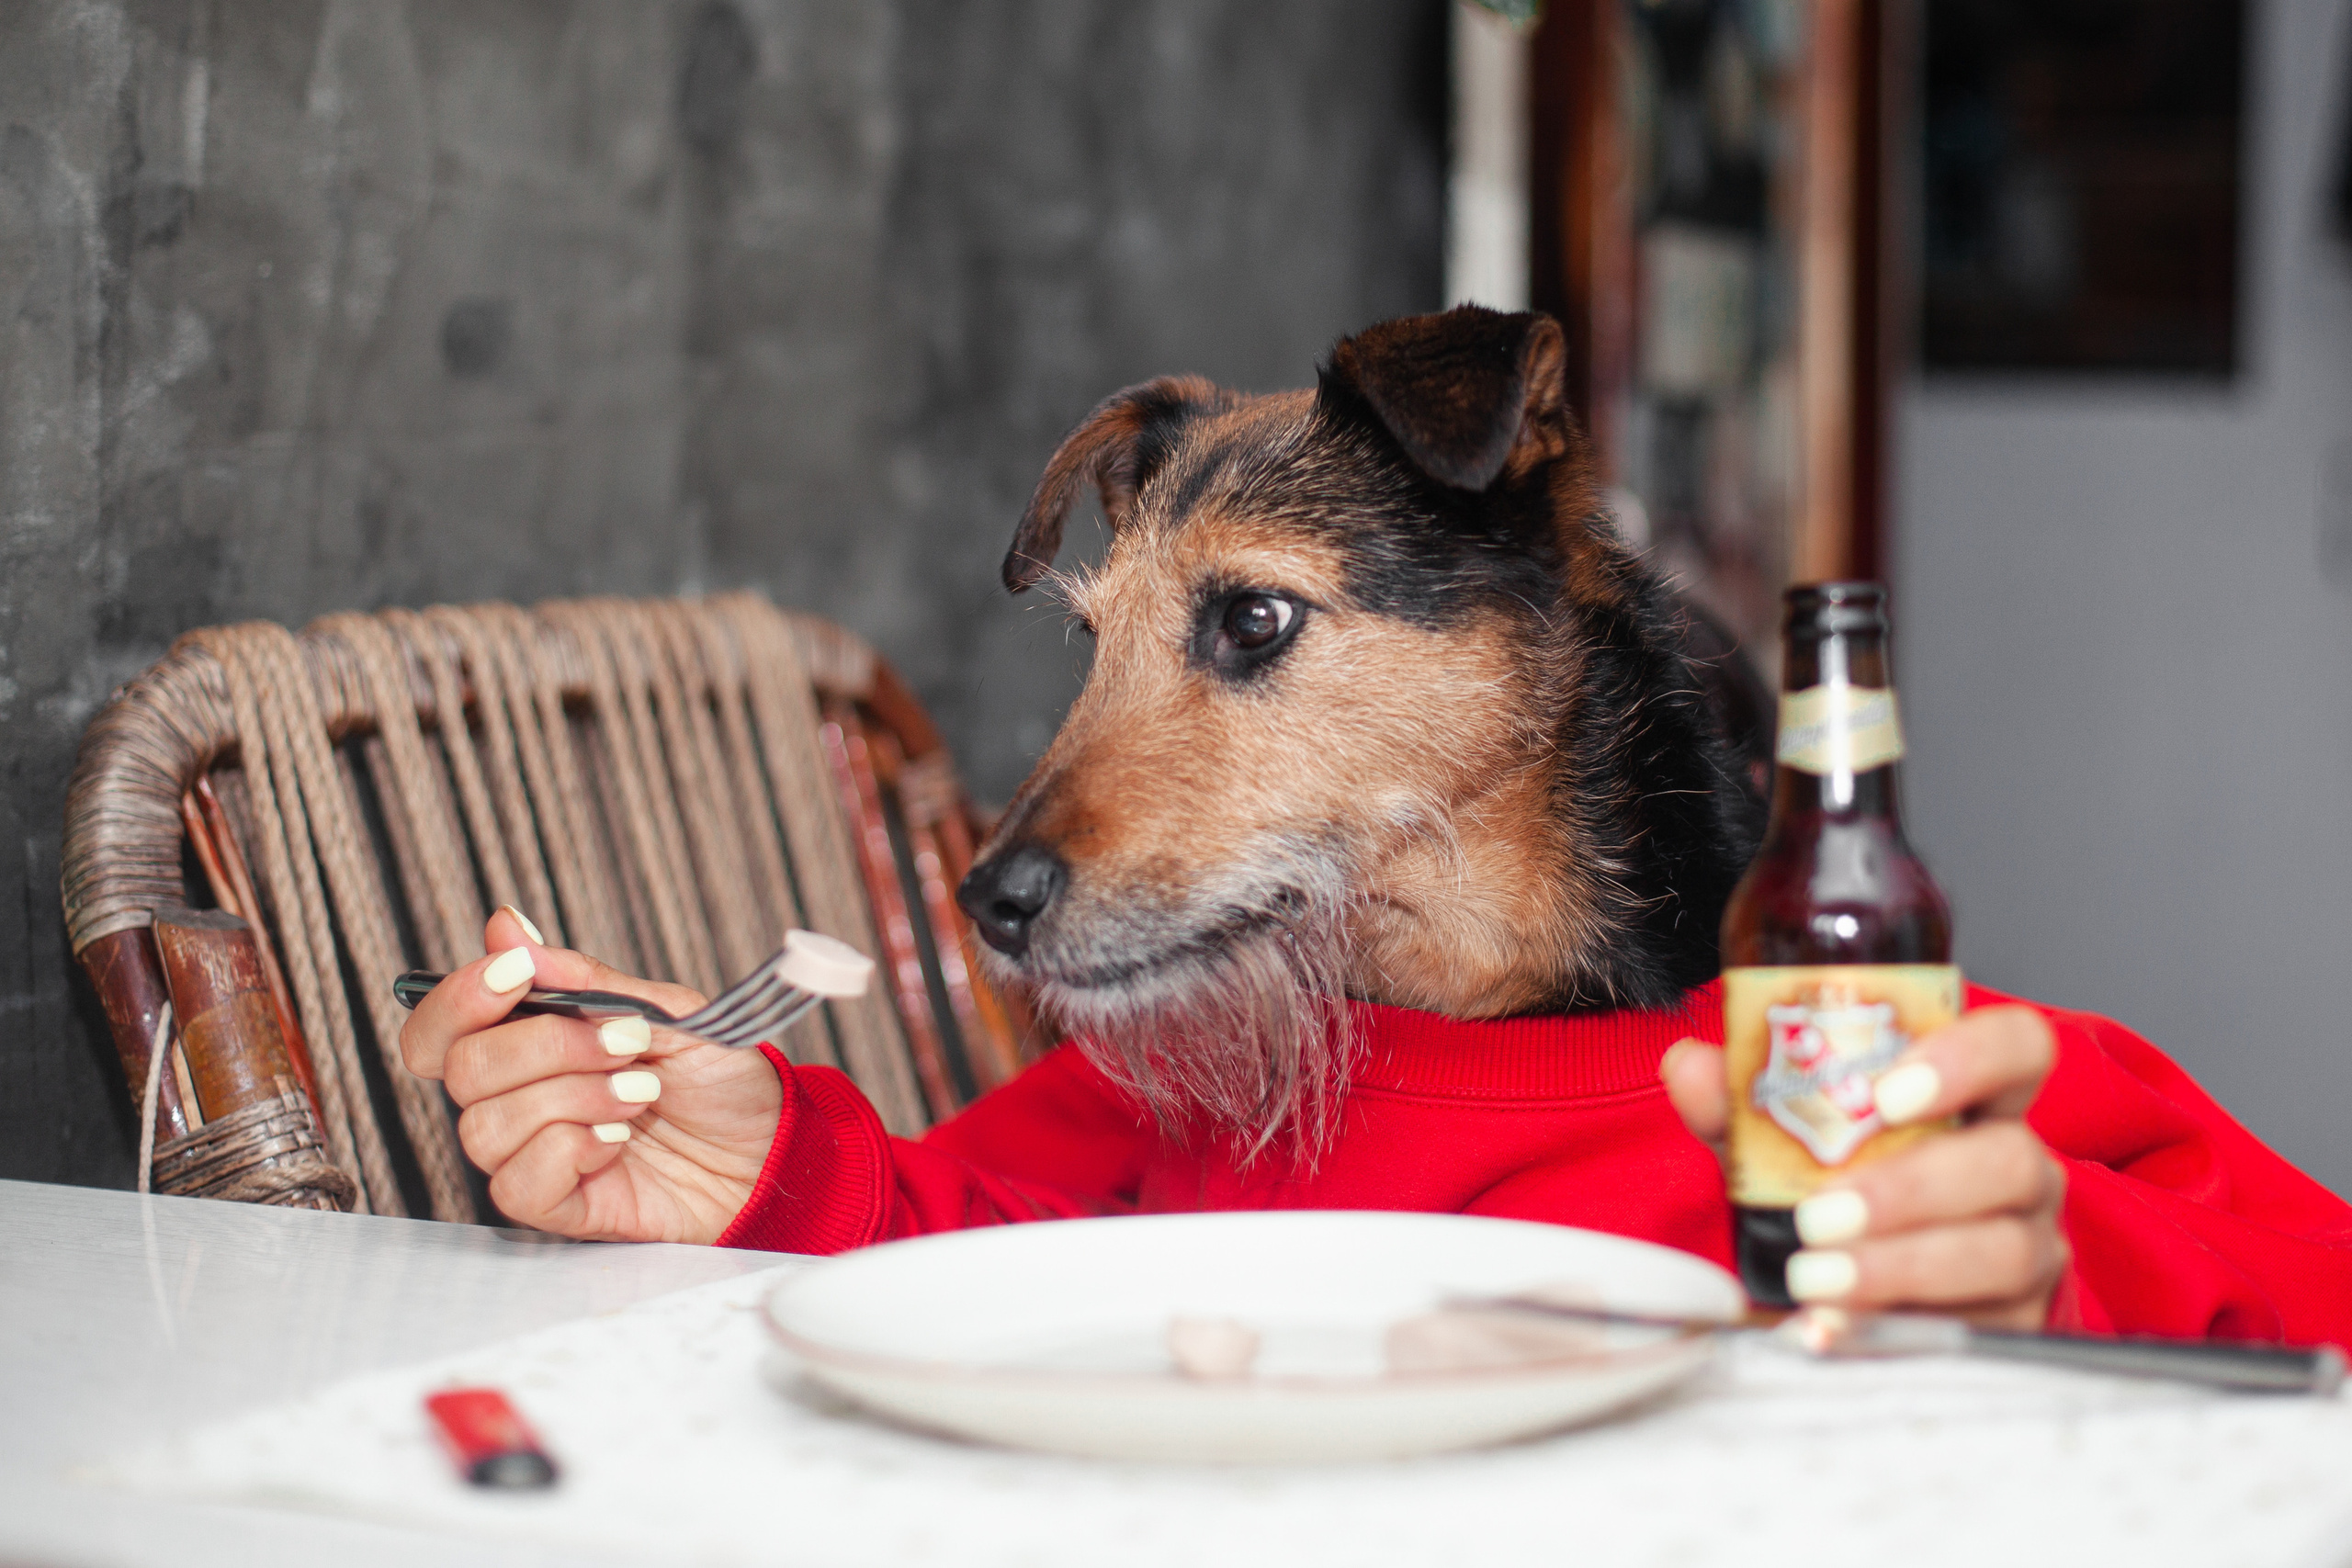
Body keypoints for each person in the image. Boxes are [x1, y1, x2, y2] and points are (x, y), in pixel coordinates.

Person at [402, 905, 2352, 1343]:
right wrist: (753, 1157)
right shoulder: (1186, 1063)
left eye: (1253, 639)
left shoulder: (1827, 1066)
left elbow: (2312, 1303)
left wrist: (2036, 1283)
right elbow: (974, 1260)